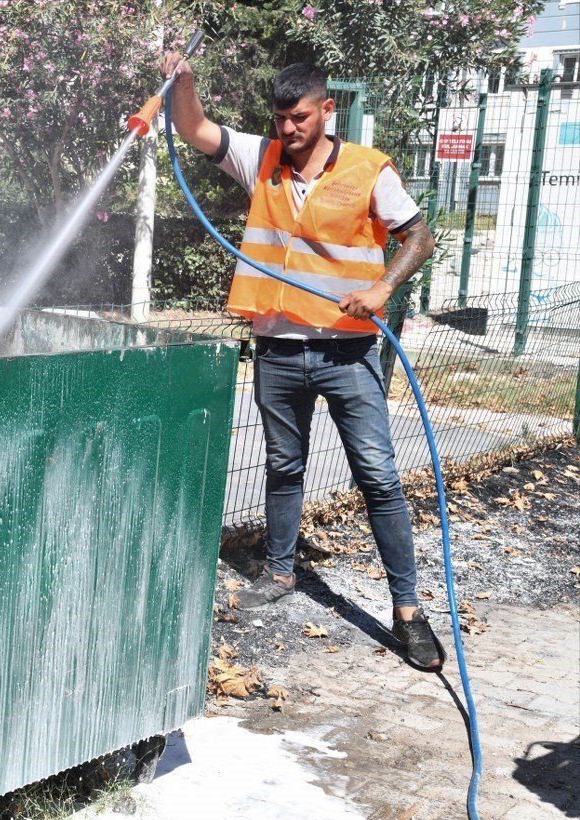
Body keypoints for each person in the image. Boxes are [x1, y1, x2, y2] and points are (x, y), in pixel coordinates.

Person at [159, 54, 444, 671]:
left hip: (349, 352)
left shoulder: (370, 169)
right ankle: (281, 571)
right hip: (279, 351)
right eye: (280, 119)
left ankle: (408, 611)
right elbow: (195, 128)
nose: (288, 131)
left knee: (379, 476)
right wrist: (184, 82)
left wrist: (381, 290)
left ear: (327, 111)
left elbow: (418, 237)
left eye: (299, 118)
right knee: (284, 464)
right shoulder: (260, 158)